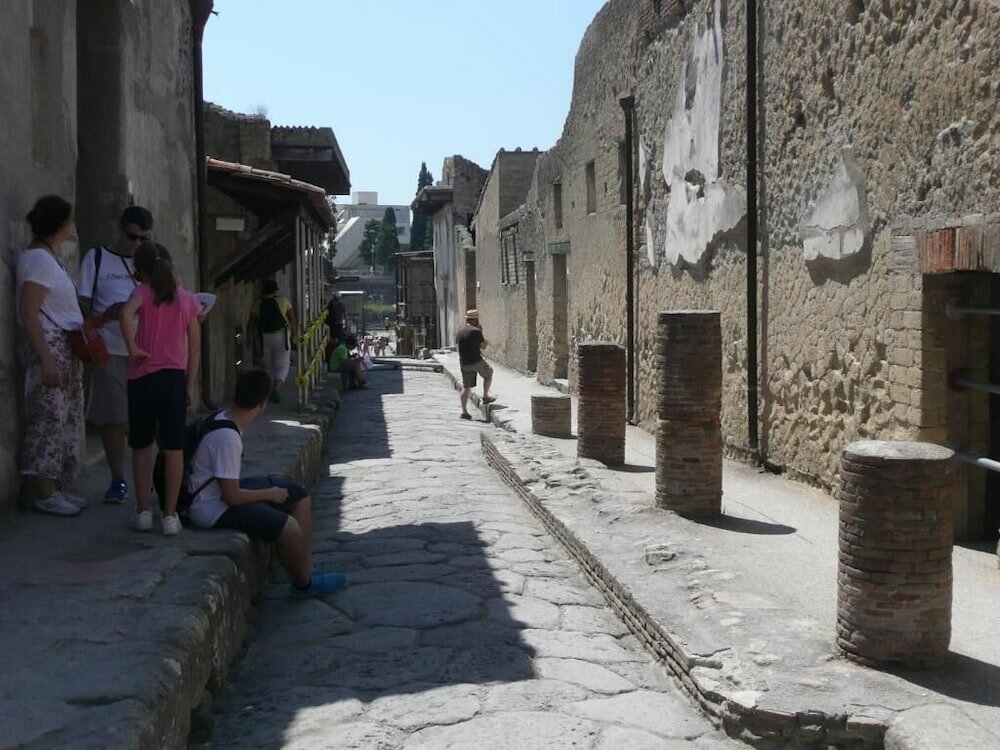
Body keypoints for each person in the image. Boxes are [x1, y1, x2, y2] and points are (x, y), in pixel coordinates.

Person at [186, 369, 348, 598]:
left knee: (298, 494)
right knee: (289, 526)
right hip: (209, 508)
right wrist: (269, 494)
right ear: (262, 404)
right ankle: (304, 585)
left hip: (215, 494)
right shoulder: (228, 439)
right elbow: (231, 497)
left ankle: (306, 568)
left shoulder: (222, 417)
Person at [120, 242, 202, 535]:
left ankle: (142, 511)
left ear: (140, 271)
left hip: (142, 378)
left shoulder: (142, 293)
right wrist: (190, 385)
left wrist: (133, 347)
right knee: (174, 447)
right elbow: (194, 349)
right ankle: (169, 515)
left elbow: (125, 314)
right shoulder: (188, 300)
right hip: (173, 379)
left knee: (141, 446)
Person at [16, 196, 88, 516]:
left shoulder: (49, 258)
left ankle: (56, 487)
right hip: (50, 346)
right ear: (61, 224)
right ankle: (44, 492)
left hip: (64, 346)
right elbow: (30, 312)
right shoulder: (39, 260)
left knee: (64, 419)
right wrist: (46, 359)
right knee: (48, 418)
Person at [77, 205, 152, 504]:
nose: (137, 245)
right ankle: (118, 479)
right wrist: (102, 317)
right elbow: (81, 303)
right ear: (120, 231)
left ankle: (153, 480)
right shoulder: (96, 258)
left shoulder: (151, 261)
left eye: (144, 239)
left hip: (147, 351)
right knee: (114, 419)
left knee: (149, 419)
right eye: (133, 238)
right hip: (109, 348)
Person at [249, 279, 297, 404]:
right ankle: (276, 388)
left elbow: (251, 322)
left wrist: (250, 337)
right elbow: (292, 319)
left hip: (264, 336)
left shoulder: (258, 303)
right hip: (281, 336)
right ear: (276, 289)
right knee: (283, 364)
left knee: (267, 365)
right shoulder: (283, 301)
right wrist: (295, 336)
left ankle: (268, 388)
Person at [457, 309, 494, 420]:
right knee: (489, 372)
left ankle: (464, 412)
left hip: (464, 363)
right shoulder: (476, 331)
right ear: (475, 320)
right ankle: (486, 396)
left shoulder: (460, 332)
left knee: (466, 387)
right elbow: (483, 346)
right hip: (476, 361)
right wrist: (483, 336)